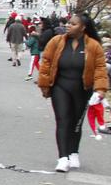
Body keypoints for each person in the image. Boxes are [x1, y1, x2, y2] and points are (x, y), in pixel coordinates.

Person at [37, 13, 108, 172]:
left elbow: (100, 69)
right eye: (69, 23)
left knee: (76, 123)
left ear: (83, 28)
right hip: (60, 87)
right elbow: (46, 62)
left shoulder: (93, 46)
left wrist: (100, 89)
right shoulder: (56, 42)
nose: (69, 26)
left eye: (73, 24)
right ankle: (62, 158)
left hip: (83, 89)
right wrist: (44, 83)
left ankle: (73, 152)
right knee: (63, 121)